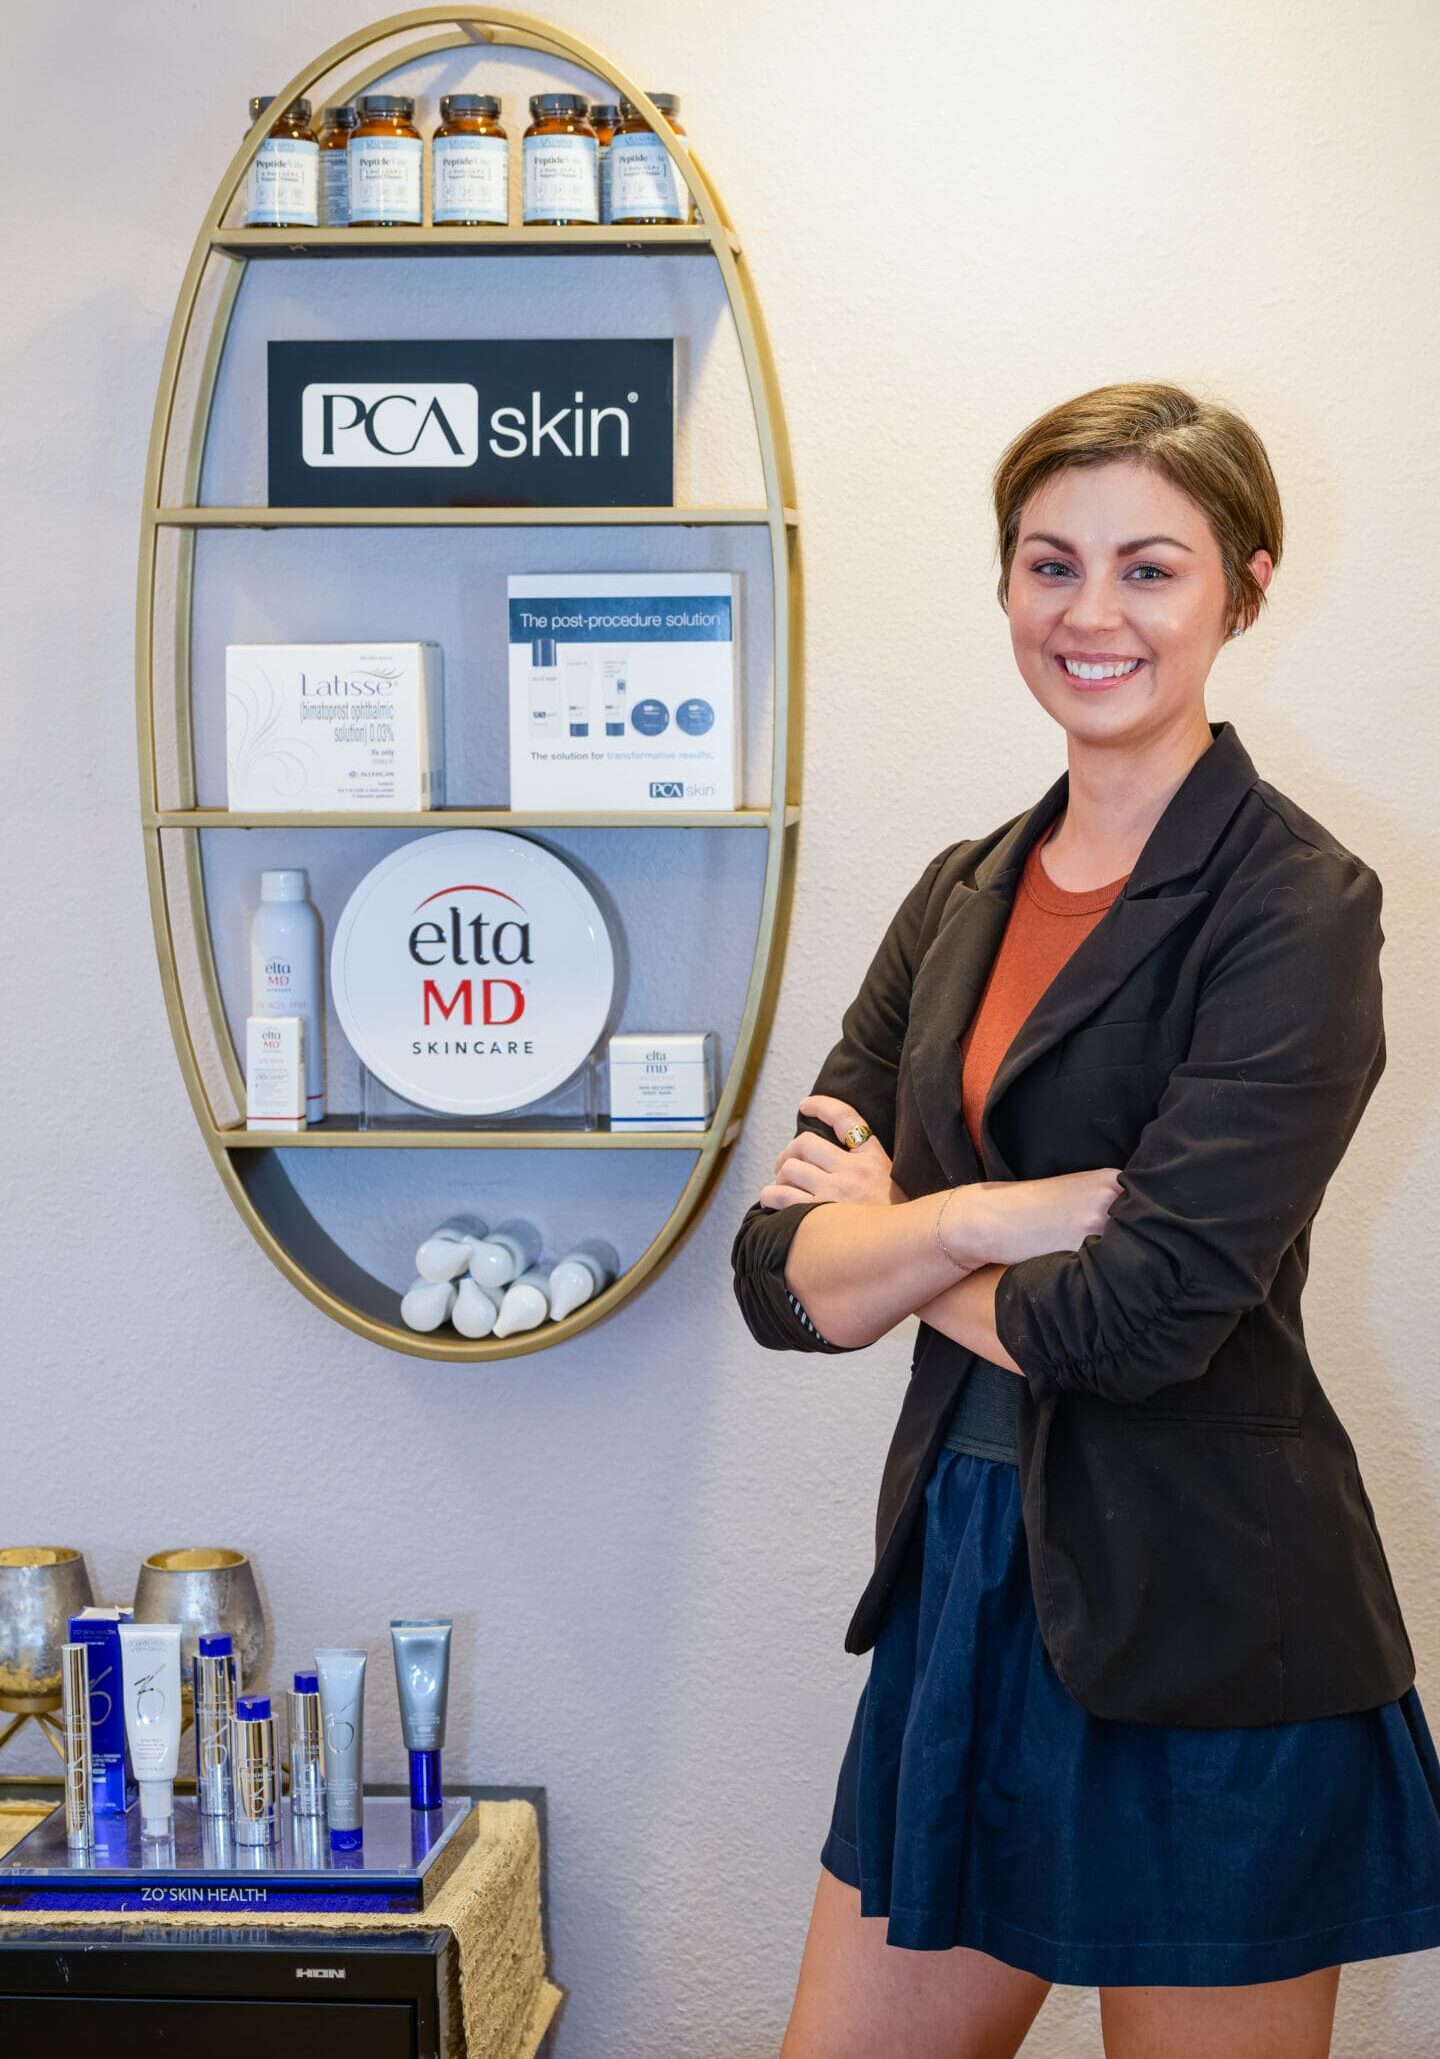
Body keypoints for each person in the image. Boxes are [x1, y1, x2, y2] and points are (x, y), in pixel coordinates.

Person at [730, 383, 1440, 2059]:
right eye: (1051, 566)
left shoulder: (1298, 903)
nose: (1092, 614)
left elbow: (1143, 1322)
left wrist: (905, 1235)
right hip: (963, 1578)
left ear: (1241, 590)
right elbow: (779, 1276)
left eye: (1150, 568)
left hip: (1212, 1615)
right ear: (1006, 590)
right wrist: (1001, 1215)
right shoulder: (962, 887)